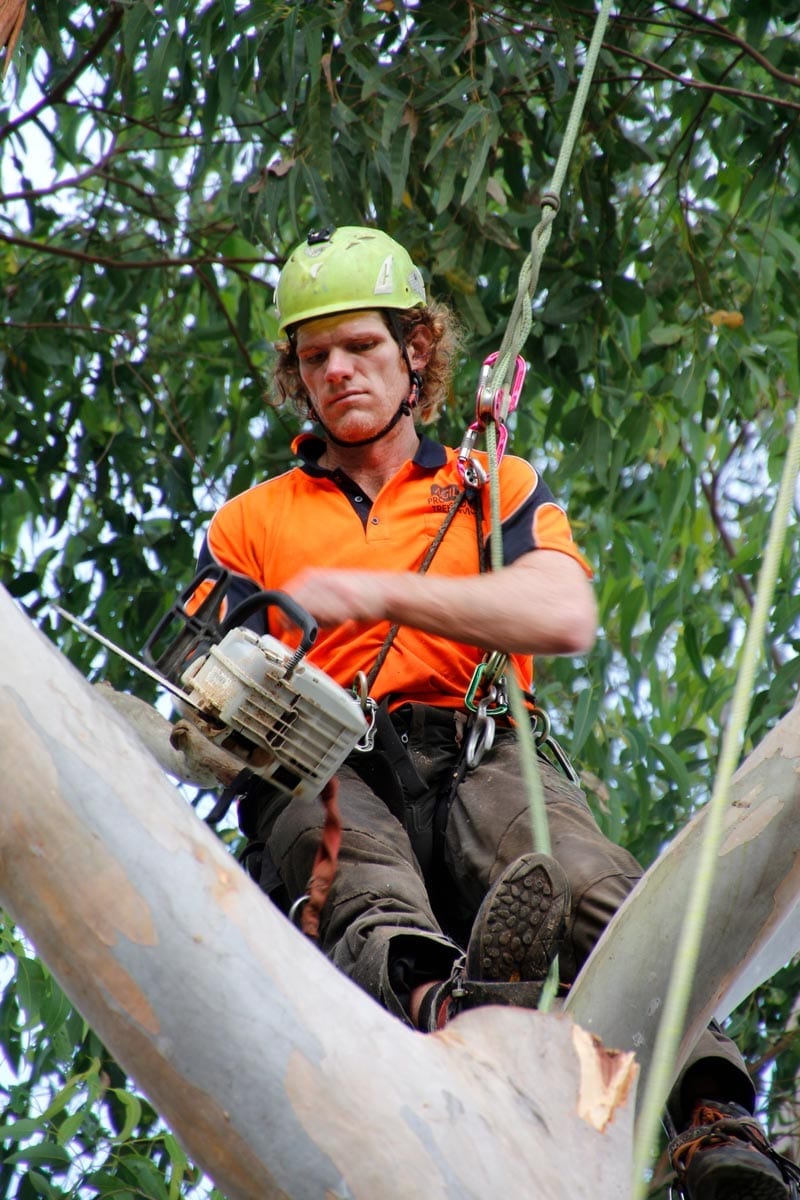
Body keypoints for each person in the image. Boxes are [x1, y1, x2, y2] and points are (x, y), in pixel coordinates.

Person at [187, 225, 797, 1200]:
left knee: (594, 884)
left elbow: (560, 612)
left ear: (414, 351)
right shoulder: (252, 520)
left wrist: (376, 594)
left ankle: (708, 1116)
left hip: (470, 742)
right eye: (314, 357)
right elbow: (191, 677)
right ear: (295, 377)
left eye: (361, 346)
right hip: (319, 764)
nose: (337, 371)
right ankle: (451, 1006)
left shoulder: (487, 485)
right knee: (356, 889)